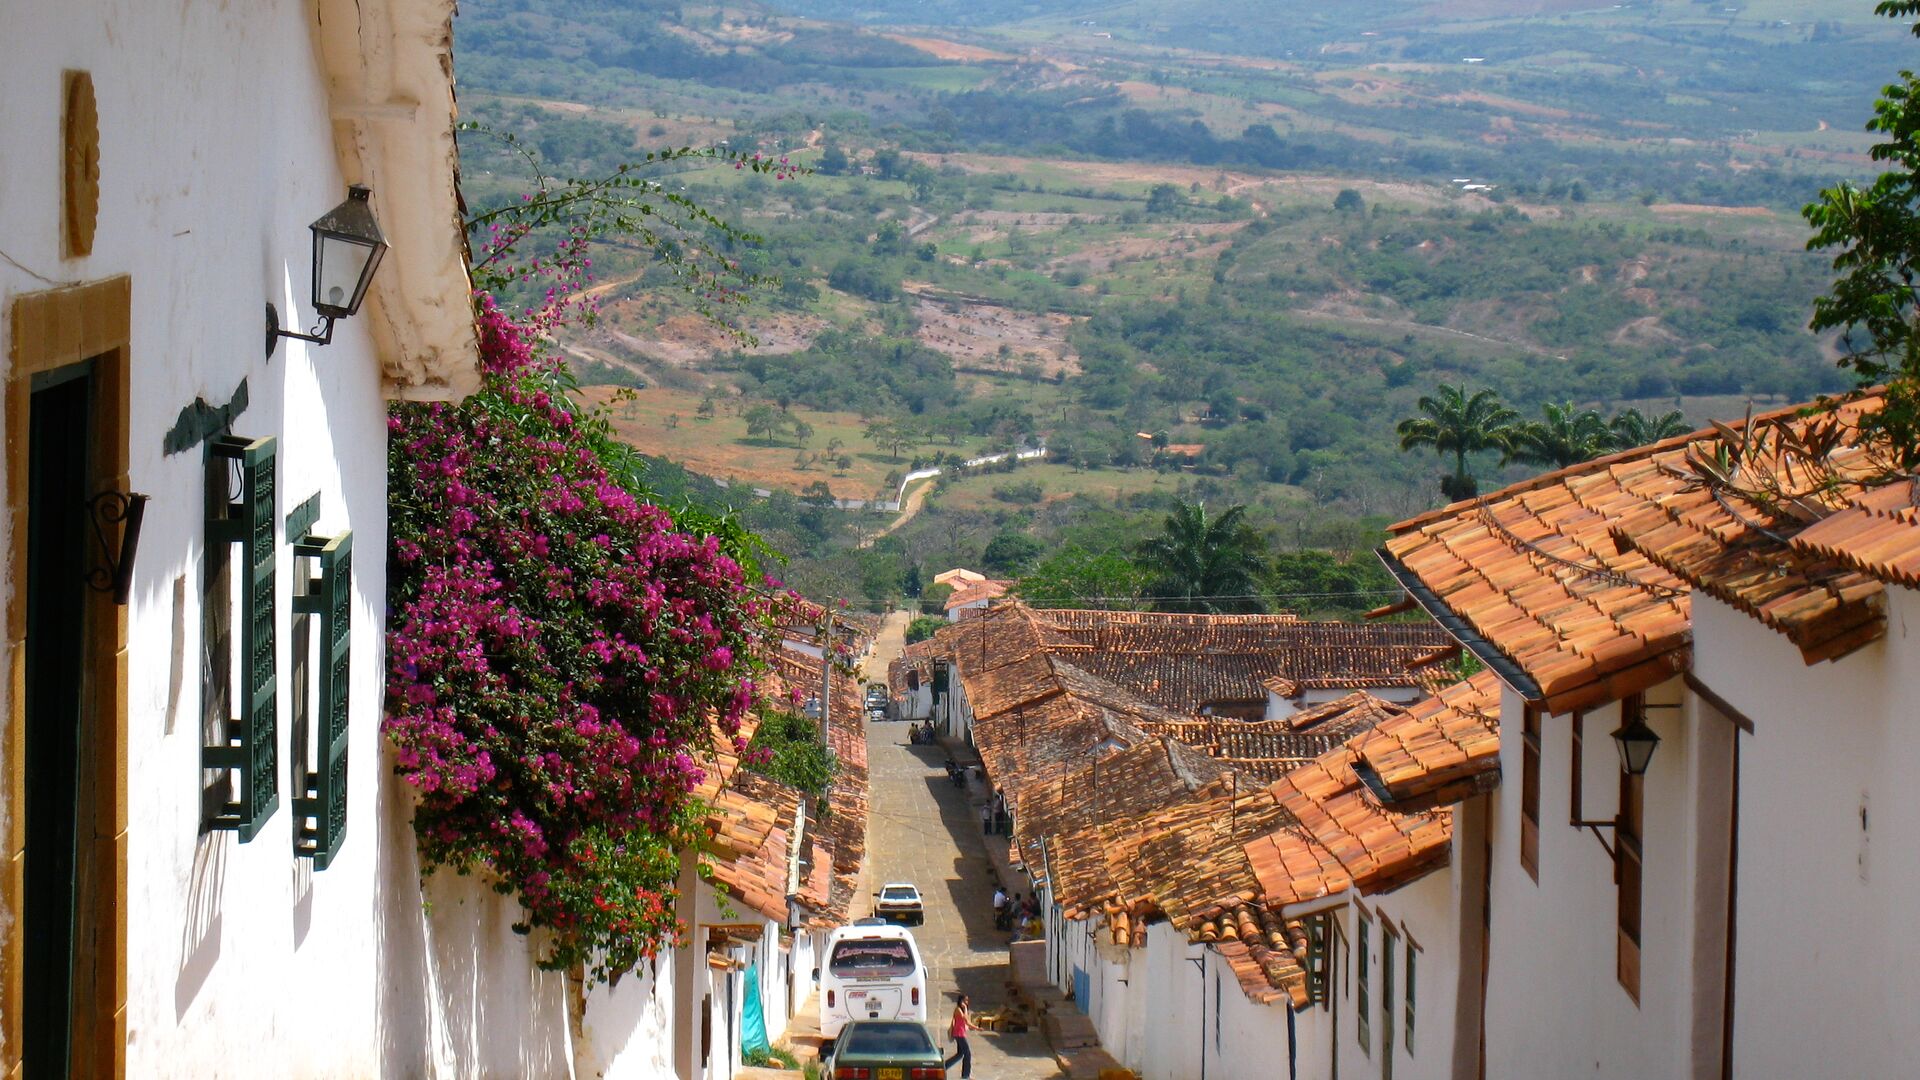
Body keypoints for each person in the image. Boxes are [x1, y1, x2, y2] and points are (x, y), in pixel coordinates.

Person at [944, 994, 973, 1079]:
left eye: (967, 1000)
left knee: (960, 1054)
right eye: (965, 1000)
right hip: (959, 1034)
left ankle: (944, 1066)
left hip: (961, 1033)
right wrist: (977, 1028)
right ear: (961, 1001)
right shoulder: (958, 1009)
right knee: (967, 1054)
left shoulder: (963, 1009)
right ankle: (965, 1075)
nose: (966, 1002)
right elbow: (965, 1020)